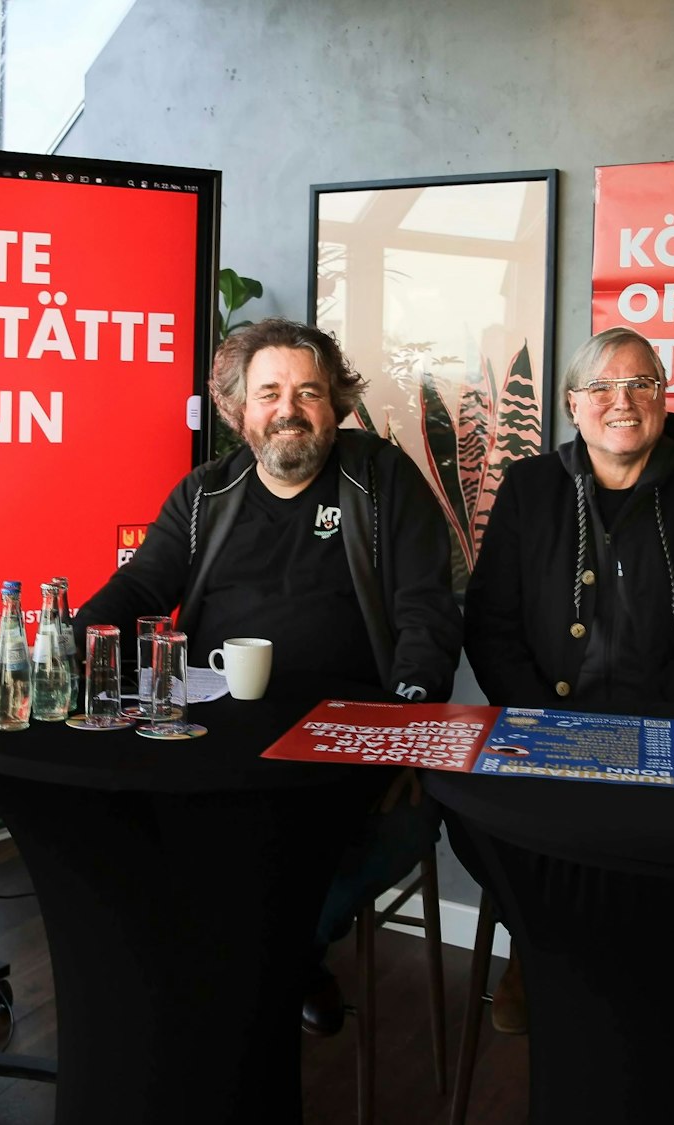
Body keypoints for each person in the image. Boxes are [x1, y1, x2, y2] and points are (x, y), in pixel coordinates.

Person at [75, 316, 464, 1035]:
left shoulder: (381, 480)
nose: (290, 409)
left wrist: (402, 729)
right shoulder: (205, 495)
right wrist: (70, 642)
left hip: (346, 738)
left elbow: (426, 614)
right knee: (146, 819)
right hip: (215, 732)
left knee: (400, 826)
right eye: (270, 393)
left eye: (308, 391)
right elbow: (139, 587)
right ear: (238, 409)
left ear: (334, 404)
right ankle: (241, 961)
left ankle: (285, 956)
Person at [463, 326, 674, 1031]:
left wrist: (642, 726)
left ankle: (634, 970)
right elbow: (491, 622)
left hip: (666, 731)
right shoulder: (529, 487)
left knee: (673, 842)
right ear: (573, 404)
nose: (621, 401)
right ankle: (536, 943)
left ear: (663, 398)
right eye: (601, 386)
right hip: (544, 724)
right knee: (473, 816)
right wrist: (547, 723)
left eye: (640, 384)